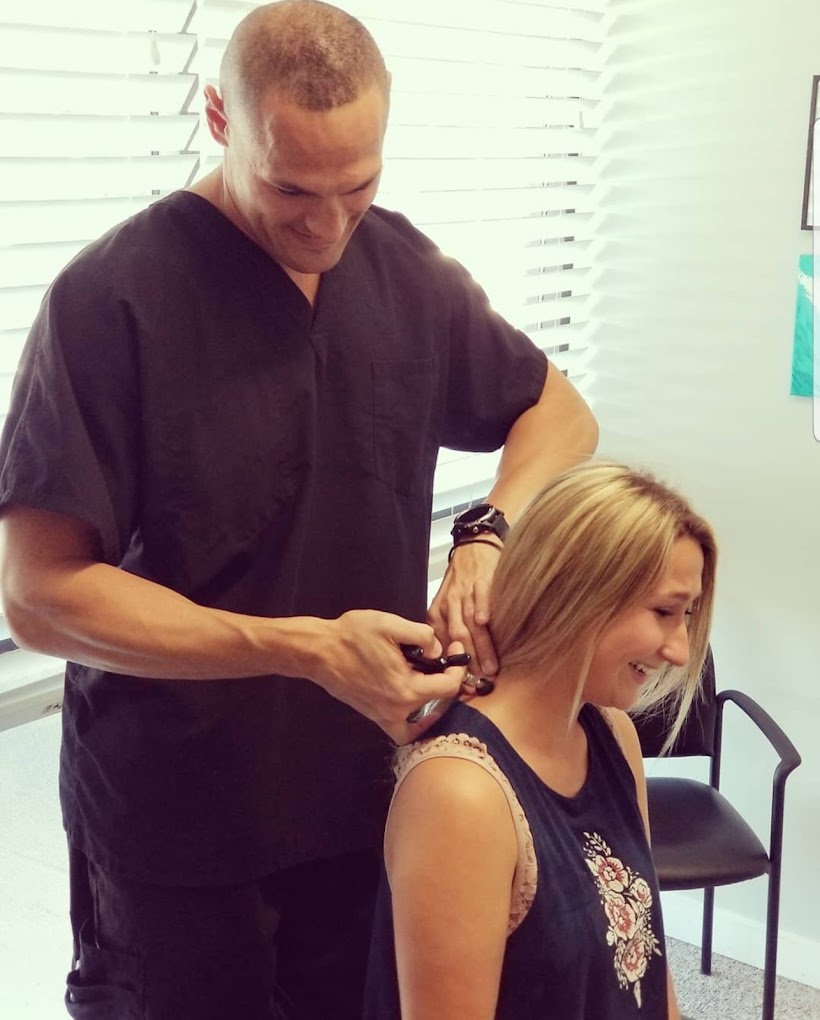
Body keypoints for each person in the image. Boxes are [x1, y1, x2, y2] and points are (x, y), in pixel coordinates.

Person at [0, 2, 597, 1018]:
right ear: (221, 117)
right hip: (177, 825)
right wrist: (304, 648)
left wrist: (487, 531)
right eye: (289, 188)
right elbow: (40, 599)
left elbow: (559, 411)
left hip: (363, 796)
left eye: (355, 186)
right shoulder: (110, 302)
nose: (325, 226)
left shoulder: (404, 270)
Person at [364, 461, 717, 1020]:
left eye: (688, 615)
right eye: (664, 612)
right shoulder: (460, 793)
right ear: (578, 592)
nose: (678, 649)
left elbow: (648, 968)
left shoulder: (612, 736)